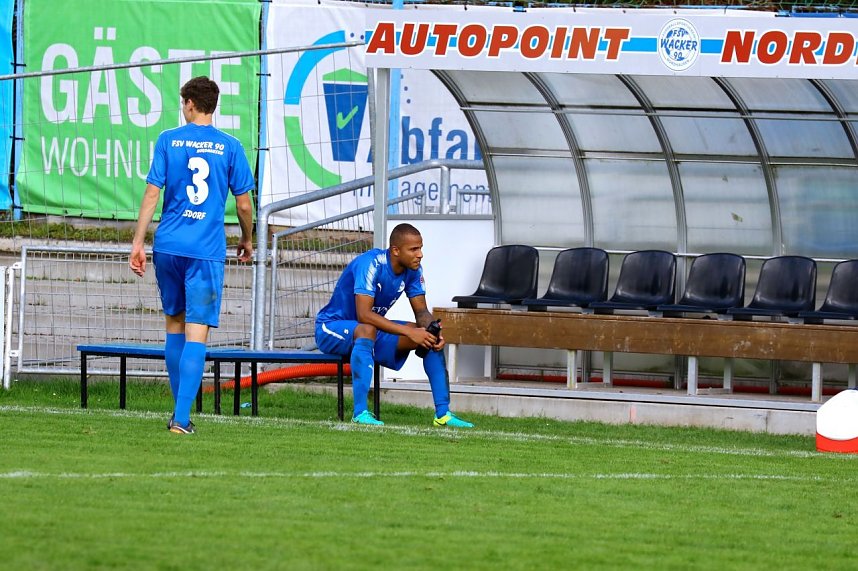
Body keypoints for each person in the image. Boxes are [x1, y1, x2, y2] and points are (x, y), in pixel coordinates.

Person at [129, 76, 255, 435]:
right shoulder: (231, 146)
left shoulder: (168, 140)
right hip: (205, 250)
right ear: (212, 105)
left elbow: (152, 194)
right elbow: (244, 205)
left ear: (189, 103)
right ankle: (181, 419)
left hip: (168, 246)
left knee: (174, 325)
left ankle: (179, 411)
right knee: (197, 331)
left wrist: (138, 242)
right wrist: (247, 239)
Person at [315, 223, 474, 428]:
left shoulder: (413, 270)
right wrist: (408, 331)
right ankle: (360, 414)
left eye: (420, 248)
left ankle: (443, 415)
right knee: (367, 329)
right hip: (331, 328)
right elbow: (364, 315)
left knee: (428, 336)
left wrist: (433, 329)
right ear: (396, 250)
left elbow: (422, 312)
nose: (420, 254)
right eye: (414, 249)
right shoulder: (371, 264)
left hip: (369, 332)